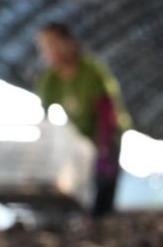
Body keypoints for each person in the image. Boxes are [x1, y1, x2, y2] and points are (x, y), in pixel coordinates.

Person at [35, 22, 132, 217]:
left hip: (108, 131)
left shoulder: (91, 70)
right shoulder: (50, 79)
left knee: (104, 178)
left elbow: (107, 110)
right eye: (44, 46)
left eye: (53, 43)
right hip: (80, 136)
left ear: (68, 43)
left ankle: (102, 218)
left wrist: (102, 147)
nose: (49, 50)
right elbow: (44, 119)